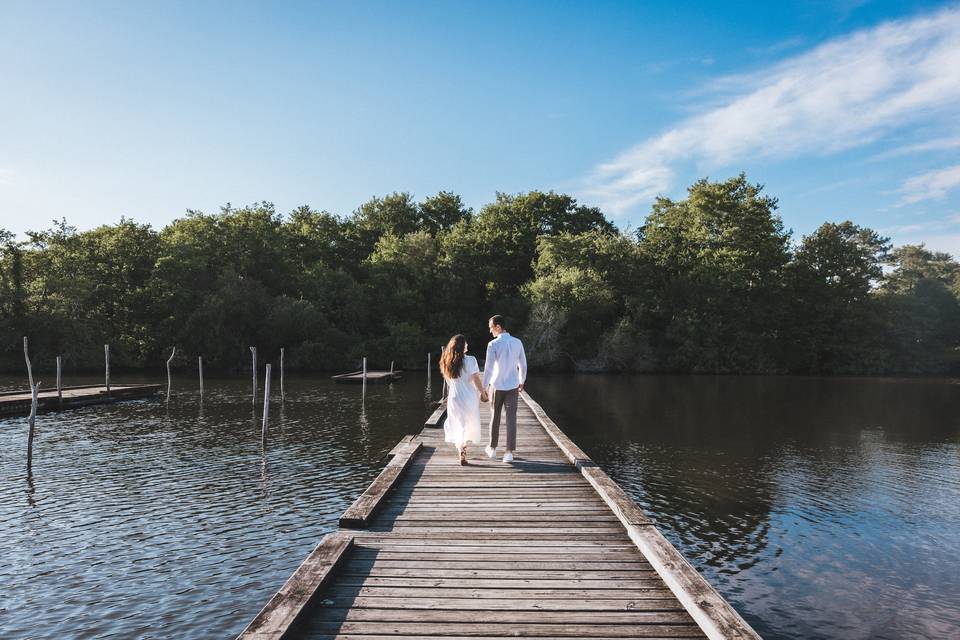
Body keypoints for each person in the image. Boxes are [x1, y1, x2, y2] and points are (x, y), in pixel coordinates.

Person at [483, 315, 527, 463]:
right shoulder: (517, 342)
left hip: (496, 385)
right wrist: (522, 381)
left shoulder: (492, 344)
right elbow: (523, 364)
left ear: (498, 327)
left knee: (495, 416)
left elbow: (488, 369)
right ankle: (509, 453)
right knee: (511, 418)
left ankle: (492, 449)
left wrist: (483, 387)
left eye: (491, 327)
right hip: (513, 385)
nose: (490, 331)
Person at [440, 334, 488, 465]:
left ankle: (461, 450)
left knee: (458, 423)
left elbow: (448, 380)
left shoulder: (446, 360)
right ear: (462, 346)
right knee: (467, 424)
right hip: (469, 396)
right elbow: (476, 379)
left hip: (454, 396)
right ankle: (463, 450)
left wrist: (455, 389)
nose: (467, 345)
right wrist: (483, 393)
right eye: (466, 343)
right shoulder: (471, 360)